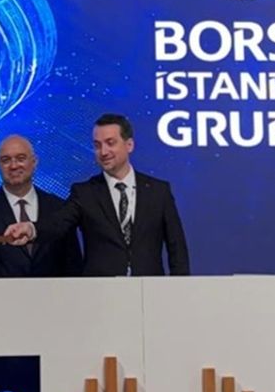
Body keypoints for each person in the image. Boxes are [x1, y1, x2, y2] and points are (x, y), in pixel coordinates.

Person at [37, 114, 190, 276]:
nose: (103, 152)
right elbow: (58, 224)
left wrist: (180, 286)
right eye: (97, 145)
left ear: (129, 145)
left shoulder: (158, 191)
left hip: (148, 287)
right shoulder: (84, 193)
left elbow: (176, 246)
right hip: (102, 288)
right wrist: (32, 229)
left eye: (110, 143)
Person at [0, 135, 83, 278]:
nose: (13, 166)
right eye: (6, 160)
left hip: (54, 292)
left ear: (34, 162)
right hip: (1, 292)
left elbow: (73, 266)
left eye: (21, 158)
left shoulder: (59, 208)